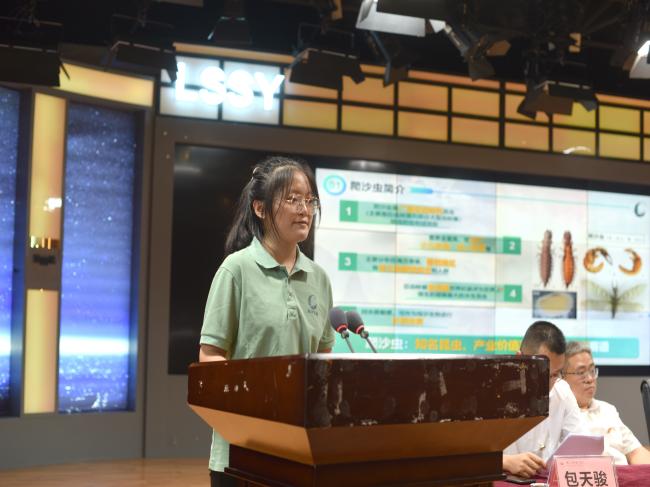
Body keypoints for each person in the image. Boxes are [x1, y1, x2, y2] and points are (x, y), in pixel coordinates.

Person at [198, 156, 336, 487]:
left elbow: (324, 361)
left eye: (309, 200)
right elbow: (210, 358)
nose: (305, 210)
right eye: (292, 199)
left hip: (301, 456)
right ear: (260, 208)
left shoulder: (319, 279)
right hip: (242, 454)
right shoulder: (236, 270)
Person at [502, 321, 585, 478]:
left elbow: (580, 445)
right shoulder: (493, 390)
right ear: (520, 359)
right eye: (541, 372)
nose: (549, 383)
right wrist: (505, 461)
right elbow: (465, 455)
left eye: (555, 374)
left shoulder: (562, 392)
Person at [563, 341, 650, 465]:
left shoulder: (607, 410)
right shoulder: (560, 414)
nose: (590, 379)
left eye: (592, 370)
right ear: (562, 377)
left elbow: (635, 452)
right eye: (581, 372)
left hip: (622, 474)